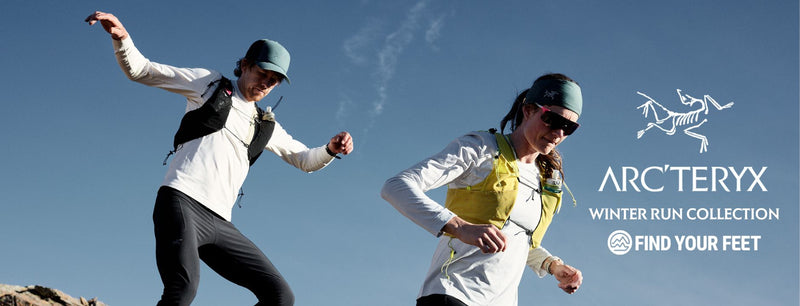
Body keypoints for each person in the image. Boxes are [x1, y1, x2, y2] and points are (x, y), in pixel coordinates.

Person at [86, 11, 354, 306]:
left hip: (220, 223)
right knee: (182, 289)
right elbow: (143, 70)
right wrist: (122, 39)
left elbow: (304, 159)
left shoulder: (266, 124)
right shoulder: (210, 84)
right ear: (244, 65)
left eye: (274, 80)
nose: (266, 83)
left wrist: (330, 148)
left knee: (280, 296)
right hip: (182, 201)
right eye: (262, 73)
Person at [381, 73, 584, 306]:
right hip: (453, 292)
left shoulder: (546, 178)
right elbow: (396, 186)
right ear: (528, 110)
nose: (559, 133)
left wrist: (552, 265)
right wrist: (459, 227)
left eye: (569, 127)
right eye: (553, 120)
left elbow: (513, 238)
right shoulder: (480, 148)